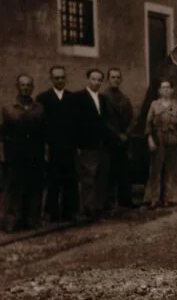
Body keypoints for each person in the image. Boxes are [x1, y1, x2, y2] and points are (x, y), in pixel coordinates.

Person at [0, 74, 47, 232]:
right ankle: (12, 221)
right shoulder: (9, 108)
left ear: (32, 88)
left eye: (28, 85)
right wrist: (2, 155)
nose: (25, 88)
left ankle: (32, 220)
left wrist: (45, 154)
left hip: (35, 154)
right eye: (22, 85)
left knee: (34, 187)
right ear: (17, 87)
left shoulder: (39, 108)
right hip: (15, 155)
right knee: (14, 187)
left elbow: (44, 134)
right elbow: (0, 134)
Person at [72, 68, 114, 223]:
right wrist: (77, 145)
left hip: (102, 145)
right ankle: (88, 210)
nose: (96, 82)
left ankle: (99, 209)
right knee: (88, 178)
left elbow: (104, 122)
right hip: (87, 145)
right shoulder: (79, 98)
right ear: (88, 79)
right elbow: (74, 123)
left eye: (99, 80)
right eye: (93, 79)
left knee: (101, 177)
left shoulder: (103, 99)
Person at [37, 65, 78, 223]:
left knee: (70, 179)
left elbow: (76, 123)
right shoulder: (43, 98)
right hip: (52, 146)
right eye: (56, 78)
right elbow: (41, 125)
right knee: (53, 179)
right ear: (51, 79)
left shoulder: (72, 98)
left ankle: (70, 211)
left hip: (69, 145)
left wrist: (76, 144)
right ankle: (51, 212)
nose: (60, 80)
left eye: (62, 77)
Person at [143, 79, 177, 207]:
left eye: (168, 87)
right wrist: (150, 139)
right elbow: (148, 123)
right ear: (159, 90)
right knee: (155, 169)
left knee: (173, 168)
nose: (165, 90)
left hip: (172, 137)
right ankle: (153, 199)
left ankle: (171, 198)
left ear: (172, 90)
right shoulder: (154, 104)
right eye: (163, 87)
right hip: (158, 137)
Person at [103, 67, 135, 211]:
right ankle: (109, 202)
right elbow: (104, 121)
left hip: (123, 140)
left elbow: (132, 119)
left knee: (124, 171)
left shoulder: (125, 99)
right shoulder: (103, 98)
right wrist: (117, 134)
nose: (115, 80)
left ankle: (125, 200)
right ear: (108, 80)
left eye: (117, 77)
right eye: (113, 77)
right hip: (110, 140)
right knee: (109, 172)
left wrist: (126, 134)